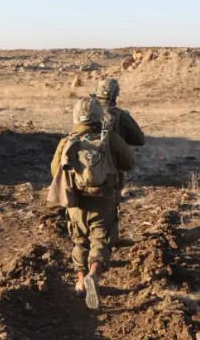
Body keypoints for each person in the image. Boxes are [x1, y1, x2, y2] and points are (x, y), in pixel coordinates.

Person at [48, 97, 134, 310]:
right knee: (100, 240)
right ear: (99, 115)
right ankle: (94, 274)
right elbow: (129, 163)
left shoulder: (67, 141)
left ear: (76, 116)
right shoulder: (110, 139)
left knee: (79, 241)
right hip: (104, 200)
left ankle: (80, 282)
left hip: (76, 203)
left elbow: (55, 170)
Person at [95, 78, 144, 246]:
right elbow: (139, 139)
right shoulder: (119, 115)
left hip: (85, 166)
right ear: (116, 94)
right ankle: (109, 240)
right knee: (111, 203)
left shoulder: (87, 111)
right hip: (112, 169)